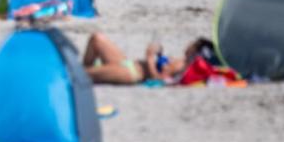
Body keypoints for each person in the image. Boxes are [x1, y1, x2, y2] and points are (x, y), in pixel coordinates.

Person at [81, 32, 209, 85]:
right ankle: (86, 66)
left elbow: (159, 80)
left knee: (79, 74)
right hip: (127, 63)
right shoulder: (181, 61)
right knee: (97, 38)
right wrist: (157, 51)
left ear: (195, 51)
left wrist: (149, 57)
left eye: (193, 44)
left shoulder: (182, 66)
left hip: (131, 73)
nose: (189, 44)